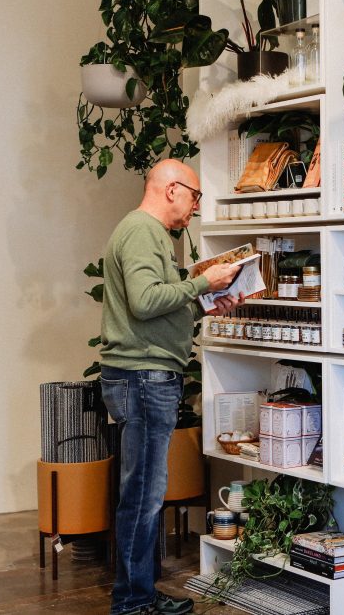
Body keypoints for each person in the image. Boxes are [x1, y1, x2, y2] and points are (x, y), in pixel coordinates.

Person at [99, 159, 243, 615]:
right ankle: (132, 602)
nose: (195, 208)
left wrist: (205, 304)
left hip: (144, 375)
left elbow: (157, 305)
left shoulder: (147, 233)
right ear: (171, 189)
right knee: (142, 494)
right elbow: (144, 302)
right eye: (195, 197)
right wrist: (202, 281)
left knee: (142, 492)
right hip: (143, 378)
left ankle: (138, 594)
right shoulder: (143, 231)